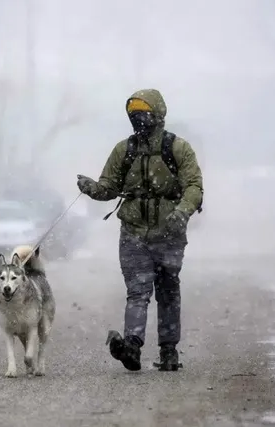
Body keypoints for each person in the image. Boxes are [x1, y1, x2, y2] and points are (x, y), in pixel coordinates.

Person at [76, 88, 203, 372]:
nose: (138, 120)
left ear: (157, 115)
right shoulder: (125, 150)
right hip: (133, 233)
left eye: (143, 114)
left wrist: (181, 212)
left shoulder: (178, 148)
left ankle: (169, 351)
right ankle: (132, 346)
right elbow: (108, 187)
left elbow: (194, 186)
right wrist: (92, 189)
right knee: (138, 291)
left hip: (169, 234)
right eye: (134, 115)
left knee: (168, 290)